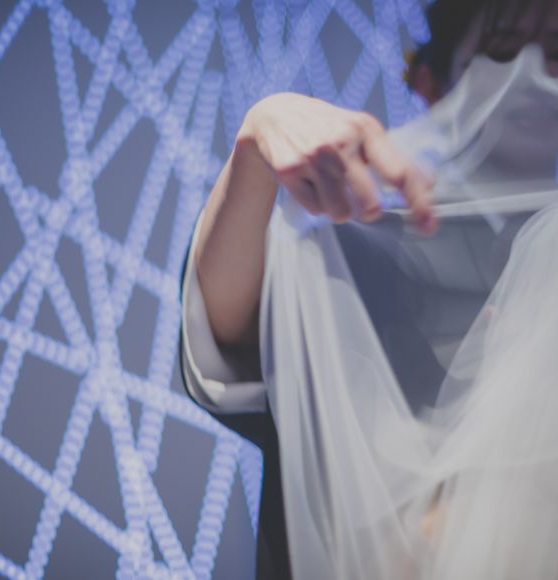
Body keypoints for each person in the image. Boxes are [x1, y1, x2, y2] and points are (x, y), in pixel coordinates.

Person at [178, 0, 558, 577]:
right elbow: (229, 328)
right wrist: (257, 142)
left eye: (557, 52)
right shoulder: (350, 244)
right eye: (501, 52)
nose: (532, 74)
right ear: (430, 84)